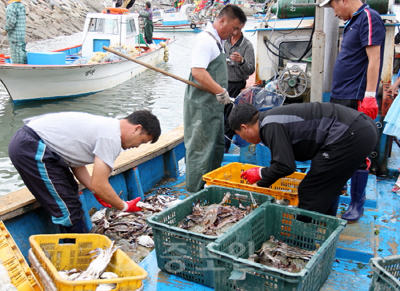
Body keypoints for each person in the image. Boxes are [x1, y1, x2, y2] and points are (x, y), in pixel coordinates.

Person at [8, 110, 161, 233]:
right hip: (32, 147)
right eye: (142, 141)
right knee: (68, 209)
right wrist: (124, 206)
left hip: (35, 144)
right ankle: (76, 256)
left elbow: (75, 161)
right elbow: (100, 183)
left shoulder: (107, 126)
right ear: (137, 128)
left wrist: (94, 190)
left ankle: (77, 248)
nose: (137, 146)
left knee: (70, 195)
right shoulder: (111, 138)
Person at [229, 102, 378, 219]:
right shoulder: (270, 118)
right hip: (361, 127)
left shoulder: (269, 125)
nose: (244, 140)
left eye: (240, 135)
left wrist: (260, 174)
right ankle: (325, 223)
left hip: (350, 133)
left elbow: (285, 166)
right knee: (328, 184)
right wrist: (262, 182)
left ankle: (303, 239)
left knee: (310, 190)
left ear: (244, 127)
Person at [320, 0, 385, 222]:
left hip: (355, 97)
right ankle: (340, 190)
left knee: (358, 150)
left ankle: (358, 203)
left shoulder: (368, 17)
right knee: (338, 145)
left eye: (334, 7)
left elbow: (374, 58)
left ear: (344, 0)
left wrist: (368, 96)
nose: (335, 12)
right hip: (341, 96)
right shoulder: (351, 23)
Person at [184, 4, 247, 193]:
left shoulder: (216, 41)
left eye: (238, 30)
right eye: (234, 28)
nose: (234, 33)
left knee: (216, 148)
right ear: (222, 20)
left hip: (213, 108)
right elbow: (198, 72)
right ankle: (195, 194)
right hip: (201, 107)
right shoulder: (205, 40)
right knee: (200, 150)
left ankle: (210, 189)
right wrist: (220, 91)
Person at [223, 27, 255, 153]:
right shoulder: (224, 42)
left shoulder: (247, 45)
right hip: (222, 83)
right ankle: (220, 144)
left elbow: (251, 69)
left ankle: (225, 146)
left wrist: (241, 61)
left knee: (230, 116)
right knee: (220, 115)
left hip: (237, 84)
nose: (233, 30)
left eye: (236, 27)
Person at [2, 0, 27, 64]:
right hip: (21, 35)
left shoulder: (11, 7)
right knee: (22, 52)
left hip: (14, 36)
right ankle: (25, 67)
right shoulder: (21, 6)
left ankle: (18, 70)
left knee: (16, 56)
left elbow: (11, 22)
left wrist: (6, 30)